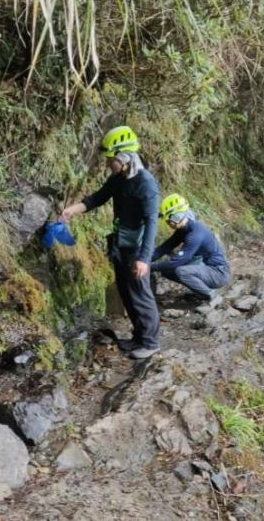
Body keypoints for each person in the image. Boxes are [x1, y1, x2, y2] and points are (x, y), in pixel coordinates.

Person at [61, 125, 161, 359]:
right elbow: (97, 198)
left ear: (124, 157)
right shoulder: (118, 178)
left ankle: (151, 342)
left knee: (140, 294)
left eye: (110, 158)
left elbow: (152, 223)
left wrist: (144, 259)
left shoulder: (146, 184)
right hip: (120, 245)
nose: (107, 163)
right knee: (126, 292)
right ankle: (138, 337)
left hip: (137, 249)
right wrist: (70, 211)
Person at [151, 193, 231, 307]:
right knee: (166, 270)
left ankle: (212, 295)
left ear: (177, 217)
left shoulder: (195, 234)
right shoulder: (184, 229)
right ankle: (201, 291)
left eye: (169, 220)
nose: (169, 224)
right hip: (205, 267)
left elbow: (177, 262)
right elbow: (164, 248)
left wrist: (150, 267)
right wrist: (144, 260)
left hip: (219, 273)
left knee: (181, 271)